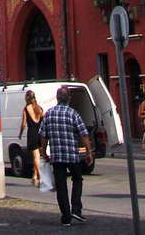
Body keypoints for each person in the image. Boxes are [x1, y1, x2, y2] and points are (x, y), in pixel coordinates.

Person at [39, 85, 92, 227]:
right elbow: (84, 133)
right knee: (77, 179)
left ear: (57, 98)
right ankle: (76, 209)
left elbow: (43, 136)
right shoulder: (73, 114)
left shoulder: (48, 114)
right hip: (72, 156)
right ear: (69, 98)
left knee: (61, 186)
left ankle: (66, 217)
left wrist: (44, 152)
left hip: (57, 157)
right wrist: (89, 152)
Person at [19, 89, 44, 186]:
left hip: (32, 133)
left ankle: (40, 177)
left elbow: (24, 123)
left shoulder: (26, 108)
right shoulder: (39, 108)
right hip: (40, 133)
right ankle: (34, 177)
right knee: (38, 156)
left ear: (27, 98)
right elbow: (44, 117)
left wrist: (20, 133)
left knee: (36, 156)